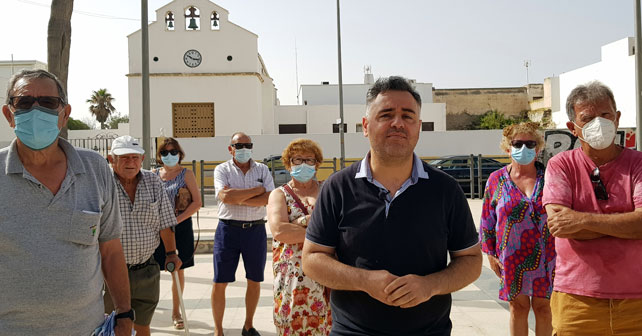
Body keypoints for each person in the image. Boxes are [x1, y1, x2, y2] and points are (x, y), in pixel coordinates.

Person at [302, 76, 482, 335]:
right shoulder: (337, 187)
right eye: (386, 114)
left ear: (418, 127)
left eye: (408, 116)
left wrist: (429, 286)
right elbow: (312, 259)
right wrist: (365, 281)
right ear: (365, 126)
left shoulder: (446, 189)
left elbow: (471, 260)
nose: (398, 123)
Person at [0, 69, 133, 335]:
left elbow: (111, 250)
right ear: (9, 114)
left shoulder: (95, 169)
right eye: (25, 103)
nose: (36, 111)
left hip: (87, 328)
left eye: (48, 103)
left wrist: (125, 313)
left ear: (64, 113)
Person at [543, 81, 642, 335]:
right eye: (588, 118)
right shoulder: (560, 166)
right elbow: (560, 226)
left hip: (636, 301)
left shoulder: (638, 164)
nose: (599, 123)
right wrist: (624, 223)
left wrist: (582, 220)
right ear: (572, 128)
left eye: (605, 115)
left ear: (617, 118)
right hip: (576, 300)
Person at [479, 122, 554, 336]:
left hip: (547, 255)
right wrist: (491, 255)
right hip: (511, 256)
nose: (524, 148)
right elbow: (487, 220)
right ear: (507, 147)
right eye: (517, 143)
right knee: (518, 308)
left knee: (544, 309)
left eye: (530, 143)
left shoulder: (549, 177)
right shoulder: (497, 180)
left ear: (538, 148)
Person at [106, 135, 182, 336]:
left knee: (143, 326)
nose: (130, 162)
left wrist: (171, 253)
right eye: (123, 157)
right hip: (109, 272)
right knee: (113, 327)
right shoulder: (102, 183)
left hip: (146, 269)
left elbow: (165, 222)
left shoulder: (153, 181)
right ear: (110, 159)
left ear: (142, 158)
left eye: (134, 157)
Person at [212, 132, 275, 336]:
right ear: (230, 148)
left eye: (247, 145)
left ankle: (248, 325)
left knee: (254, 280)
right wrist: (256, 190)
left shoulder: (263, 169)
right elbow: (224, 196)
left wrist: (237, 197)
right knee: (220, 281)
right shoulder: (222, 169)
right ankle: (218, 330)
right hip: (228, 230)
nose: (243, 149)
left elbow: (269, 198)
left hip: (255, 230)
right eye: (238, 146)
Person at [267, 139, 332, 335]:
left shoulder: (327, 191)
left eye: (309, 160)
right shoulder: (279, 194)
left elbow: (338, 228)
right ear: (288, 163)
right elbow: (280, 231)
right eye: (298, 160)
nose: (304, 164)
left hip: (325, 271)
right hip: (292, 275)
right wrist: (318, 232)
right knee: (291, 324)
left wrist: (298, 223)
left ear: (317, 164)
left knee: (324, 324)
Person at [152, 137, 202, 330]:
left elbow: (196, 203)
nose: (169, 156)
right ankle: (148, 308)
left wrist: (175, 221)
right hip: (157, 229)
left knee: (177, 270)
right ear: (159, 155)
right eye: (165, 152)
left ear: (179, 154)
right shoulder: (153, 174)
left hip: (180, 227)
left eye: (173, 152)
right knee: (152, 269)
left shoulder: (186, 174)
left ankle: (176, 311)